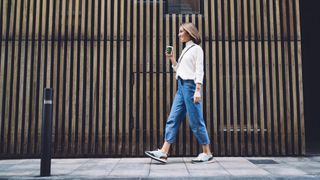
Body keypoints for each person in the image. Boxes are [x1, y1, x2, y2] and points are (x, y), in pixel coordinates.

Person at [145, 22, 213, 164]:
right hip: (181, 87)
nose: (179, 34)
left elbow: (199, 70)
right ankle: (164, 152)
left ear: (190, 33)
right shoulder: (185, 50)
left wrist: (198, 90)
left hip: (191, 87)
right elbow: (179, 70)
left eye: (182, 31)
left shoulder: (197, 49)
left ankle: (207, 152)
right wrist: (172, 58)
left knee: (196, 121)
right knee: (173, 118)